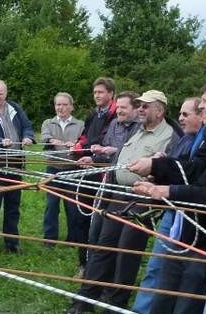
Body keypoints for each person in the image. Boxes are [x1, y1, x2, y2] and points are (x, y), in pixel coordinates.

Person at [67, 90, 180, 314]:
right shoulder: (137, 132)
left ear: (160, 110)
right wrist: (98, 159)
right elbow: (120, 160)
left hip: (143, 201)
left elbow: (174, 170)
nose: (140, 109)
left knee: (127, 252)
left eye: (146, 106)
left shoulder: (170, 137)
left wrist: (158, 174)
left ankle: (115, 304)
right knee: (103, 248)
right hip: (118, 195)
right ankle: (85, 299)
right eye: (139, 105)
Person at [129, 87, 206, 314]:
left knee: (186, 303)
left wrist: (166, 190)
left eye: (205, 101)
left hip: (202, 240)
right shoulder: (201, 138)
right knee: (164, 295)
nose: (201, 106)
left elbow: (201, 185)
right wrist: (157, 180)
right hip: (185, 231)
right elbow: (190, 170)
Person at [0, 79, 35, 255]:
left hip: (16, 164)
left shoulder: (15, 108)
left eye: (0, 93)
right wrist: (0, 142)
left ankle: (12, 242)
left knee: (13, 205)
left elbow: (27, 126)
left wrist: (28, 137)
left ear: (6, 94)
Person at [71, 77, 117, 272]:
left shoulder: (116, 116)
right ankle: (84, 262)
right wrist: (77, 147)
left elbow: (102, 139)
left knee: (99, 221)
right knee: (81, 215)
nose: (97, 95)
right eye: (95, 92)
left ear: (111, 94)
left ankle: (100, 267)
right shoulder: (93, 115)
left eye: (101, 92)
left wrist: (83, 147)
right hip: (86, 169)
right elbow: (85, 136)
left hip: (104, 173)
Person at [40, 92, 84, 247]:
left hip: (73, 170)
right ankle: (49, 240)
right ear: (54, 106)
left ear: (71, 107)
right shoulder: (48, 123)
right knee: (51, 205)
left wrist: (76, 145)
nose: (61, 108)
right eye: (58, 104)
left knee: (72, 206)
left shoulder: (80, 125)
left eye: (65, 105)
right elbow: (44, 138)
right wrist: (53, 140)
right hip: (53, 169)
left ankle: (73, 239)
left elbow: (82, 142)